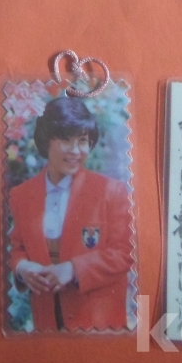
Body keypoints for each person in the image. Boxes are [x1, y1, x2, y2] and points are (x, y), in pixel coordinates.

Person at [8, 96, 133, 331]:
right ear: (46, 141)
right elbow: (17, 247)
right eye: (66, 140)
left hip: (97, 325)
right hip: (46, 320)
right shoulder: (21, 195)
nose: (75, 151)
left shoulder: (111, 192)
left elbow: (126, 252)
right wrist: (23, 268)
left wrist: (74, 269)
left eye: (82, 141)